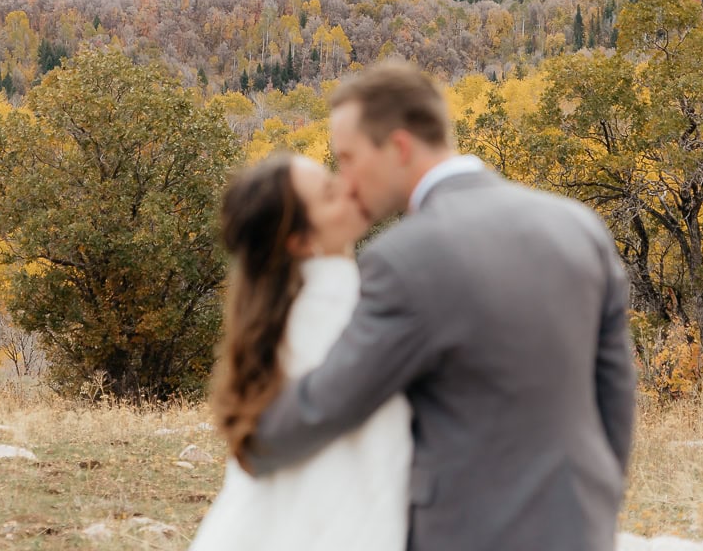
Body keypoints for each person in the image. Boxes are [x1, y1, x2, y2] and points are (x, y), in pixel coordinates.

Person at [249, 60, 636, 551]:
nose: (345, 181)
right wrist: (599, 502)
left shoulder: (404, 258)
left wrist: (254, 440)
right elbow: (616, 395)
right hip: (583, 527)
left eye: (347, 158)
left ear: (399, 147)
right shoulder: (579, 226)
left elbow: (330, 401)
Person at [188, 153, 411, 551]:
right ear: (302, 241)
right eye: (329, 193)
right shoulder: (339, 313)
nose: (347, 187)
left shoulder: (282, 316)